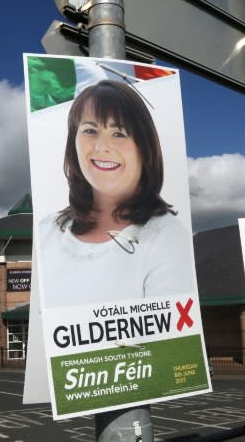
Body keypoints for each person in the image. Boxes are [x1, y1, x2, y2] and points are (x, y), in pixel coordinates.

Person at [37, 79, 195, 308]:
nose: (101, 146)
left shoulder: (167, 238)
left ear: (144, 146)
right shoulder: (46, 231)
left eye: (119, 133)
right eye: (90, 130)